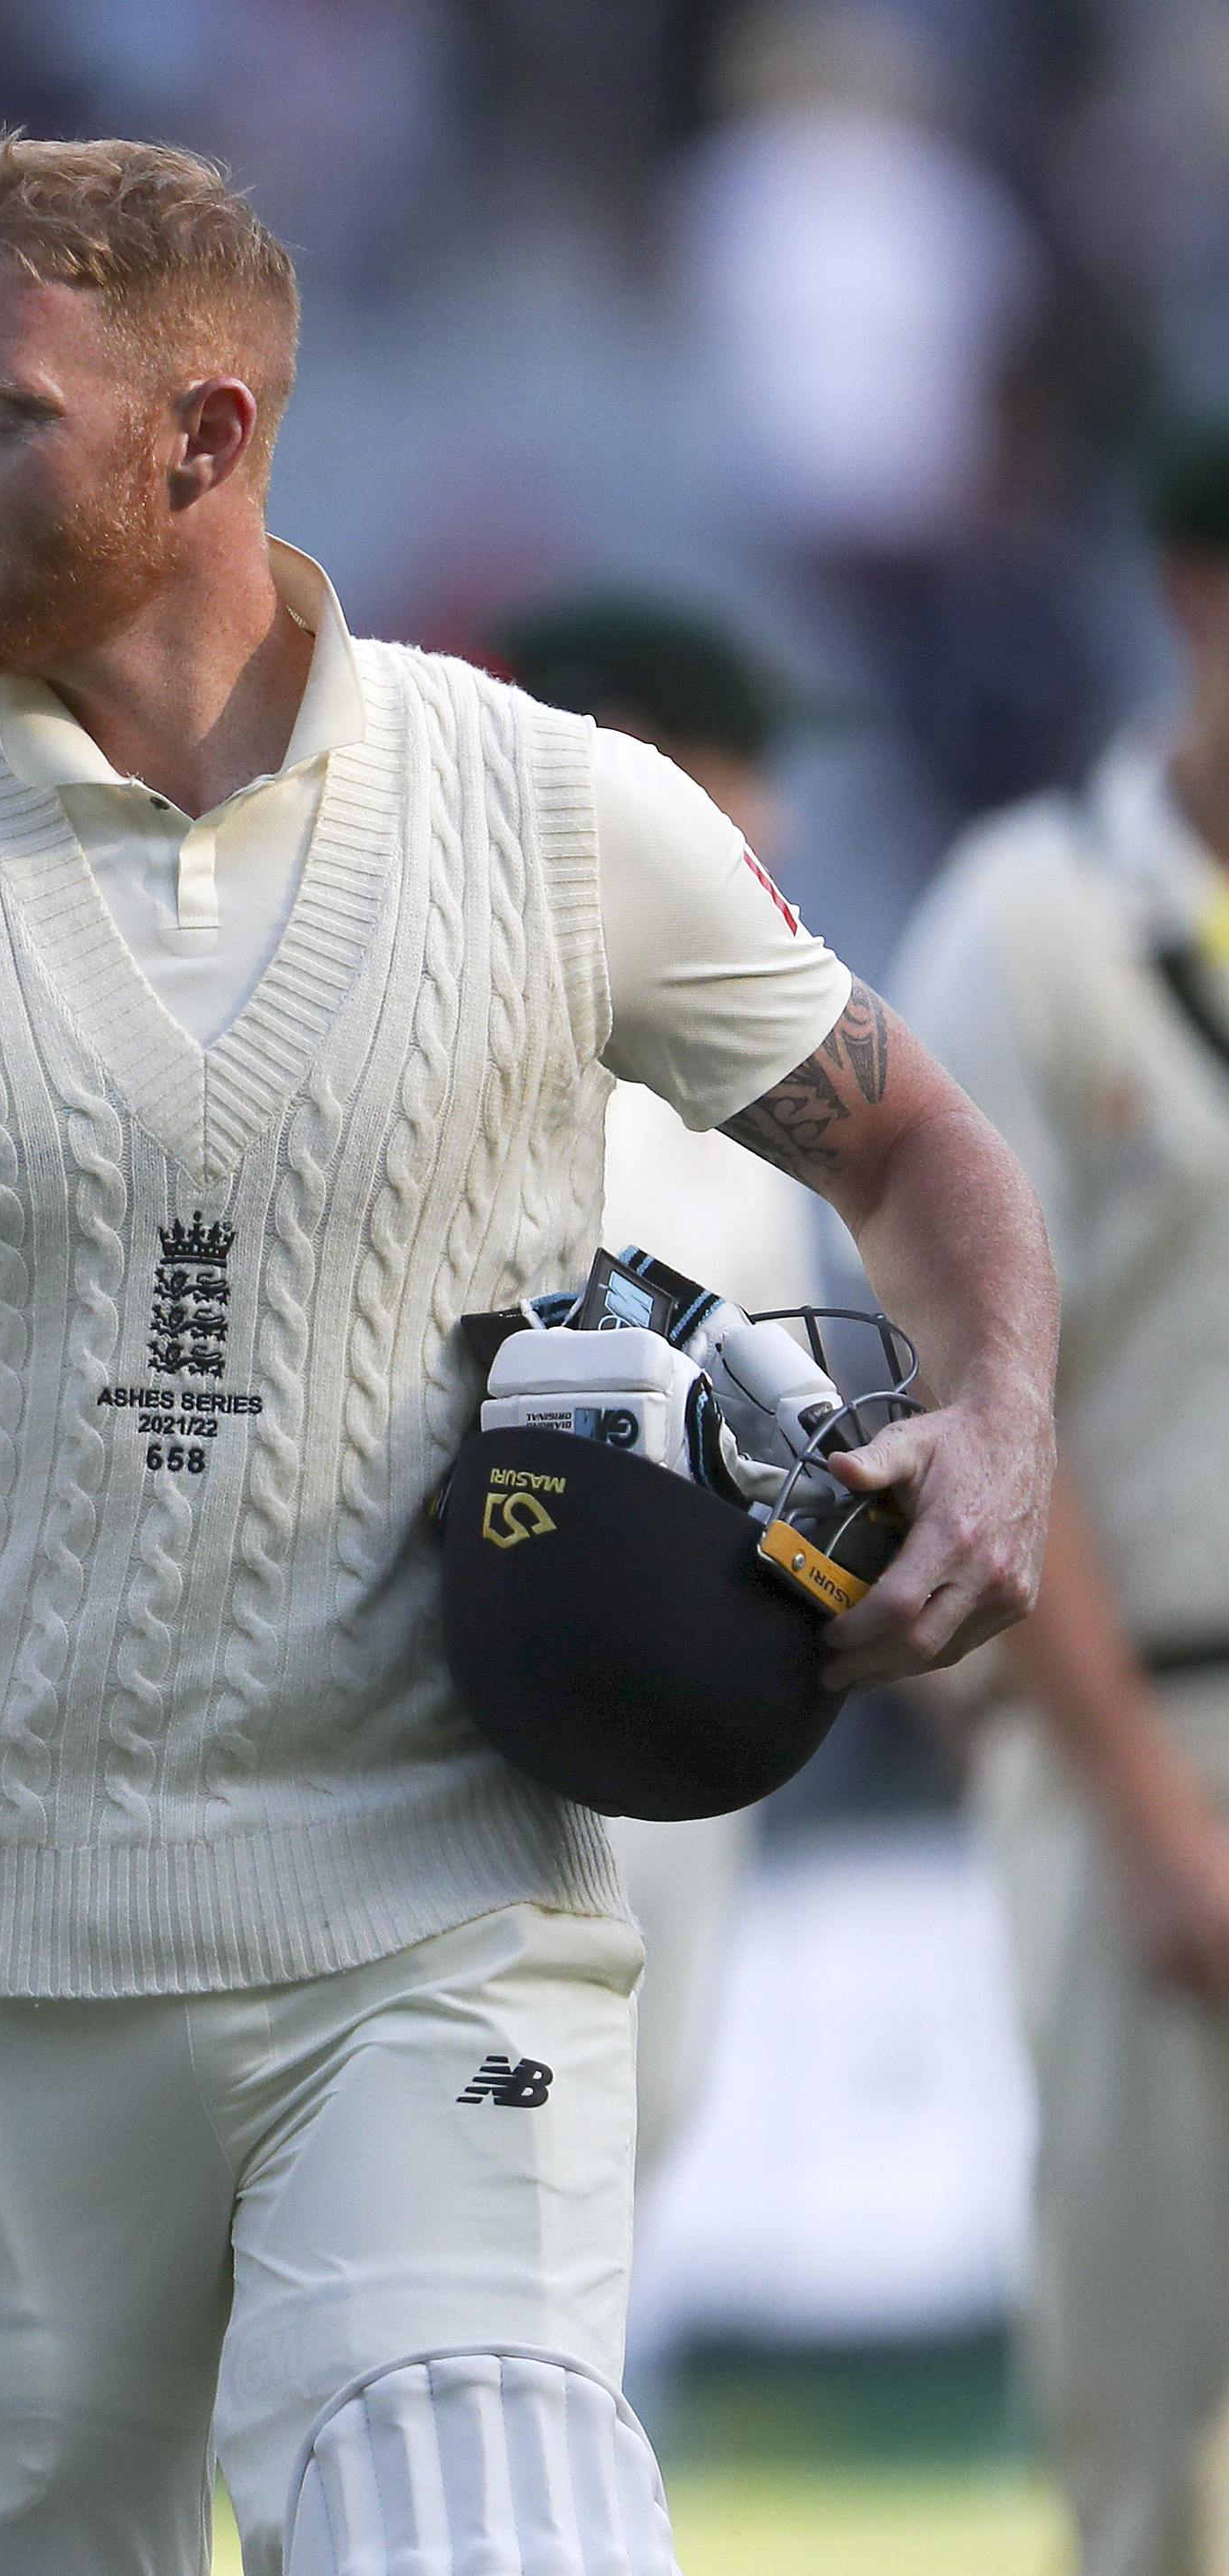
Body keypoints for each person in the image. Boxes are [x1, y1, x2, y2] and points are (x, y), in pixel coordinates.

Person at [0, 135, 1054, 2576]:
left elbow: (917, 1143)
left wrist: (996, 1413)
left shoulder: (560, 817)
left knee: (488, 2529)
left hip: (417, 1922)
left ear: (201, 437)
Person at [893, 419, 1229, 2576]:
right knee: (1150, 2397)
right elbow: (996, 1396)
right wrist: (1146, 1813)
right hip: (1153, 1714)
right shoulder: (1031, 919)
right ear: (1201, 593)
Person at [493, 589, 832, 2180]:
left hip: (694, 1717)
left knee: (625, 2193)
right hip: (479, 1753)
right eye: (737, 770)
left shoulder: (737, 1110)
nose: (771, 816)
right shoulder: (464, 1042)